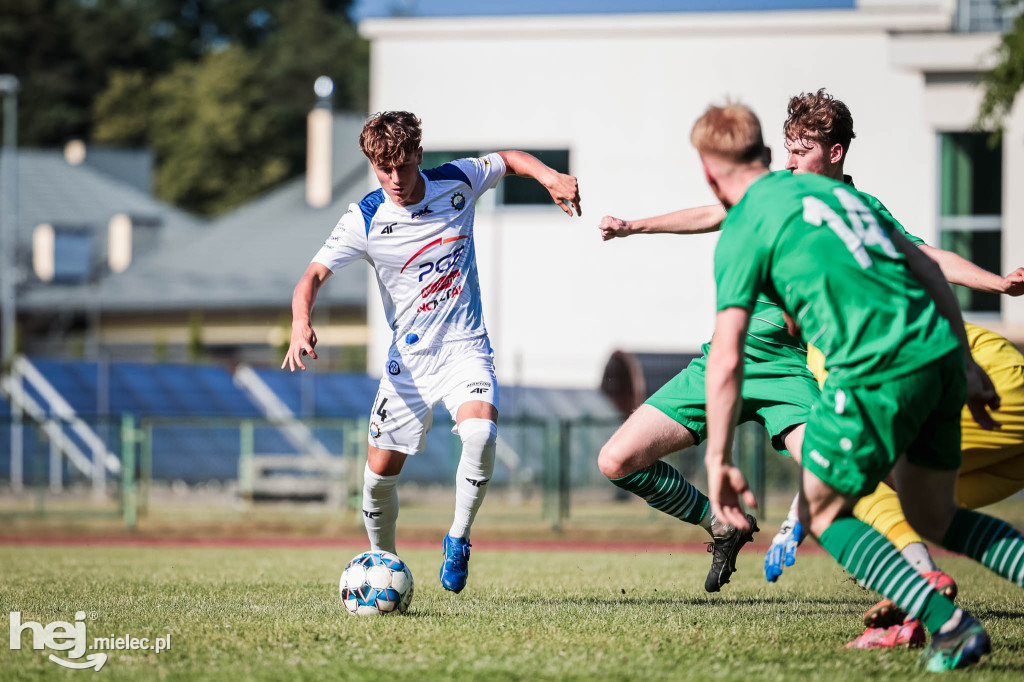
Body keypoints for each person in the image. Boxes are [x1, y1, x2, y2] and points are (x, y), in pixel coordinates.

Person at [601, 88, 1024, 647]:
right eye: (789, 149)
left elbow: (728, 355)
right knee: (931, 512)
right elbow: (924, 268)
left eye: (804, 148)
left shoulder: (770, 219)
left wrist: (719, 459)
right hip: (936, 355)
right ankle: (939, 613)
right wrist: (964, 360)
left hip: (859, 368)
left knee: (827, 508)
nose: (795, 158)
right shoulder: (833, 204)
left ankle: (940, 618)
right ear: (770, 154)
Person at [283, 111, 581, 593]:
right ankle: (384, 565)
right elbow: (311, 276)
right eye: (384, 169)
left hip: (466, 348)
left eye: (402, 165)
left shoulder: (457, 179)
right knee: (378, 479)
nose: (395, 179)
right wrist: (301, 322)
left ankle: (458, 538)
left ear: (418, 155)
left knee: (481, 434)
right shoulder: (365, 217)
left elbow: (506, 160)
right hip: (410, 367)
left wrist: (548, 176)